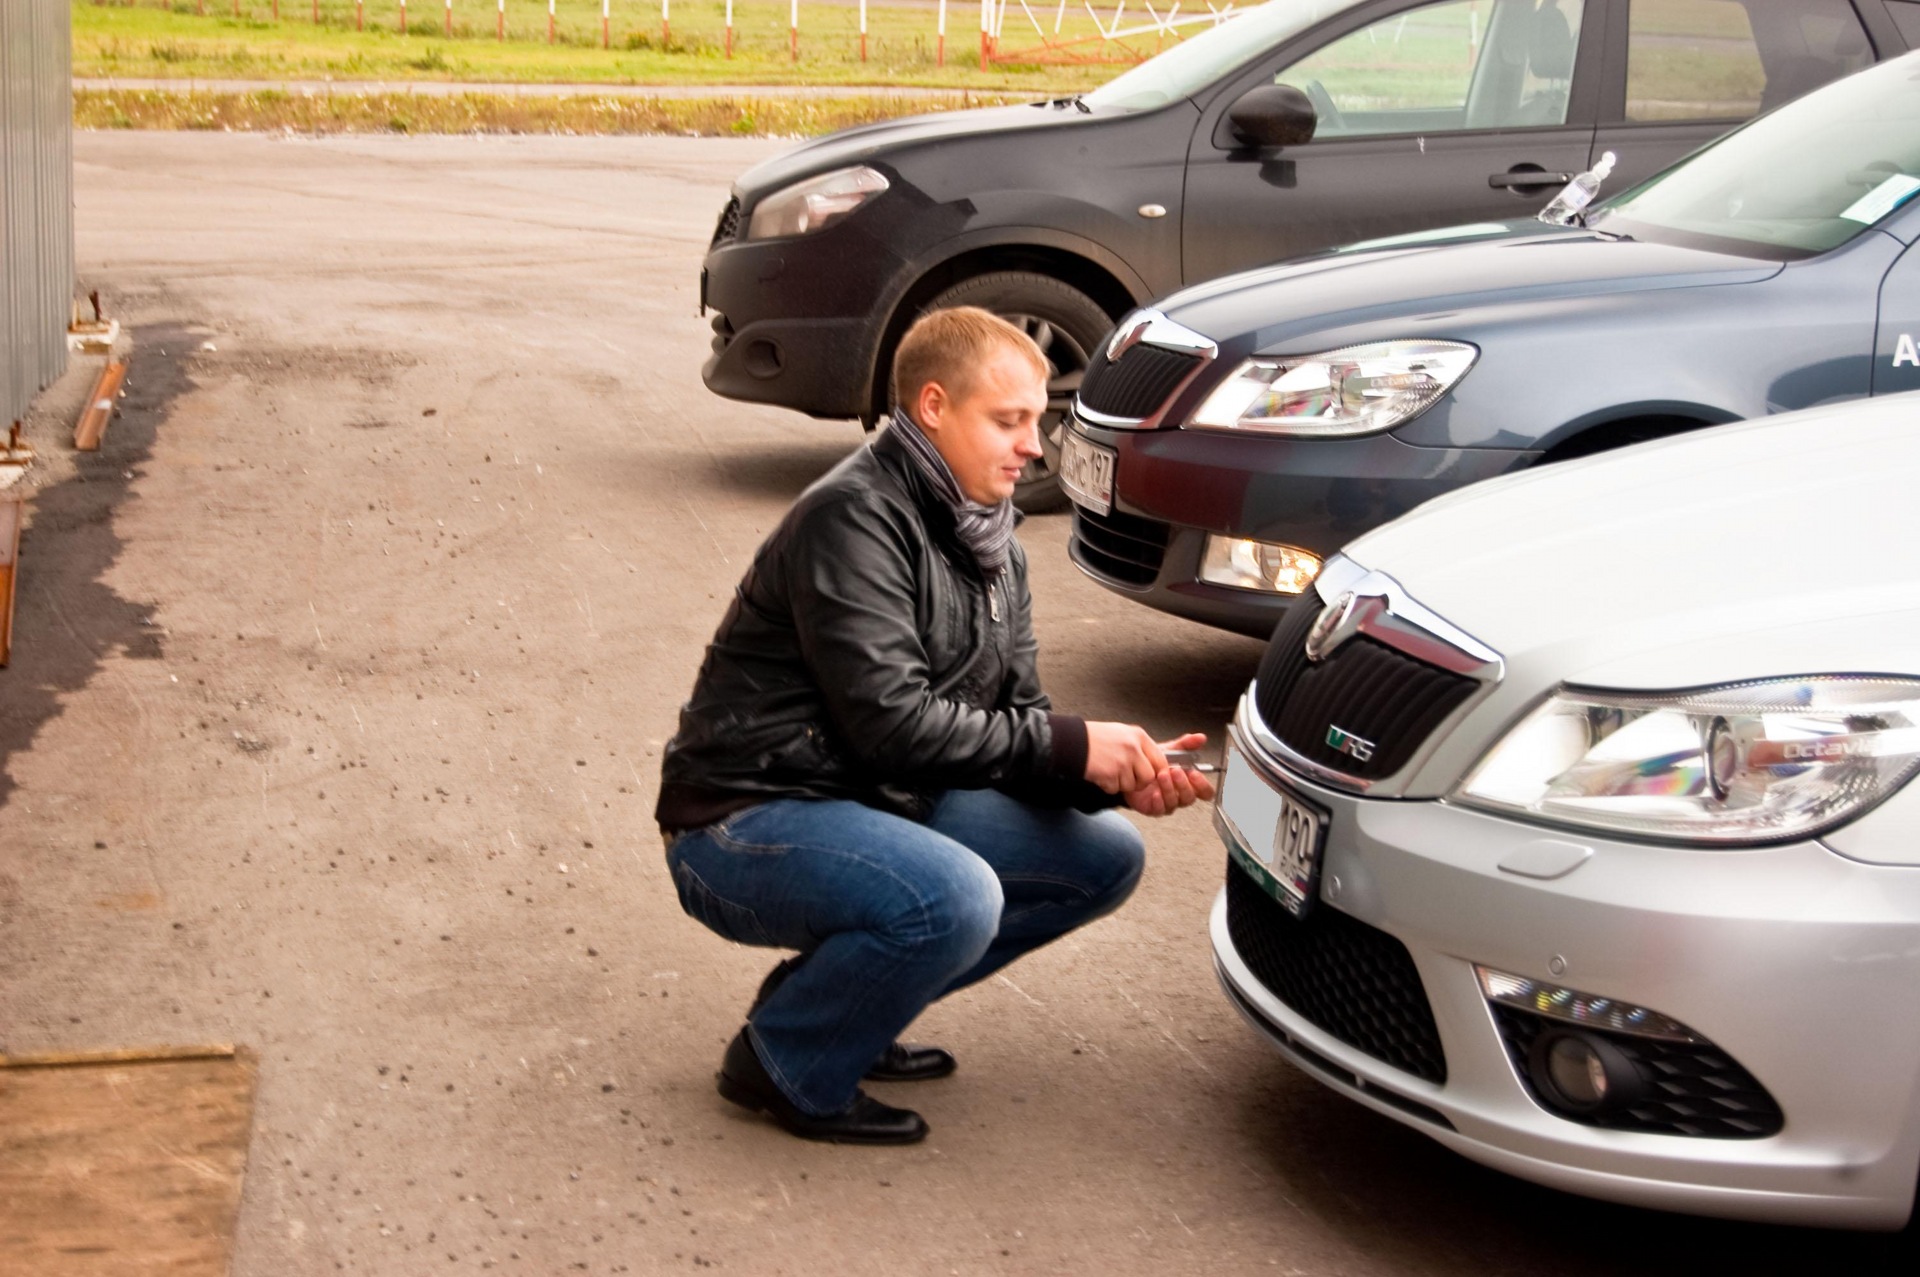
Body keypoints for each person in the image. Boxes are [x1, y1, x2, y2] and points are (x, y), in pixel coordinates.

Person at [656, 306, 1216, 1145]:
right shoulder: (852, 518)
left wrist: (1109, 773)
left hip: (877, 798)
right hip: (742, 820)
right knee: (956, 897)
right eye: (1009, 420)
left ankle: (833, 1008)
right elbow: (892, 726)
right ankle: (785, 1063)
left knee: (1101, 858)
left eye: (1039, 421)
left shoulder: (995, 543)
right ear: (931, 407)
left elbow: (1015, 720)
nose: (1035, 445)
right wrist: (1073, 742)